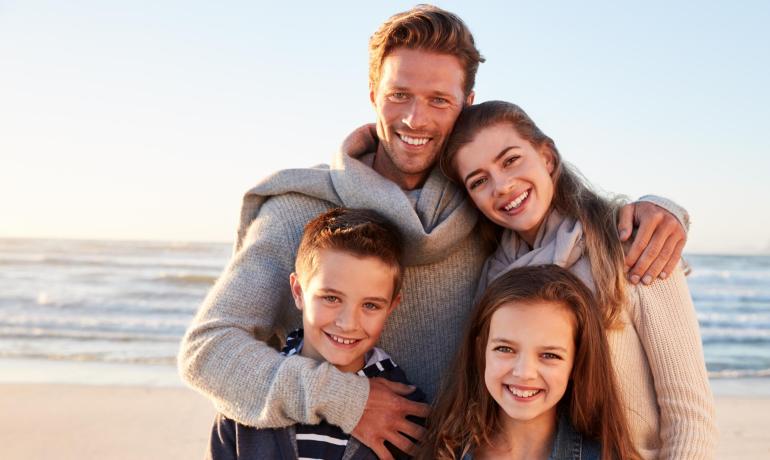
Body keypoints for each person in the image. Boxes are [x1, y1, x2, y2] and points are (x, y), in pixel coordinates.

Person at [178, 5, 689, 459]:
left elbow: (555, 212)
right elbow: (208, 351)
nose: (415, 118)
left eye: (438, 100)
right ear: (373, 93)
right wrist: (348, 400)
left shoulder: (481, 202)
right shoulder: (300, 210)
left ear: (467, 102)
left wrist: (657, 210)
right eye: (399, 95)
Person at [440, 100, 717, 458]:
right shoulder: (492, 278)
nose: (503, 185)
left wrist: (669, 210)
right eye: (479, 181)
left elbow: (690, 420)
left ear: (548, 158)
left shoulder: (631, 245)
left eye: (511, 160)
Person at [207, 208, 423, 460]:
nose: (348, 323)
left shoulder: (404, 410)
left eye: (370, 305)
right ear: (298, 292)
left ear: (391, 307)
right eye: (331, 298)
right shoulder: (249, 395)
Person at [421, 265, 641, 460]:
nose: (524, 372)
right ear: (481, 351)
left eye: (550, 355)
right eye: (505, 349)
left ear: (577, 362)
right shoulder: (444, 450)